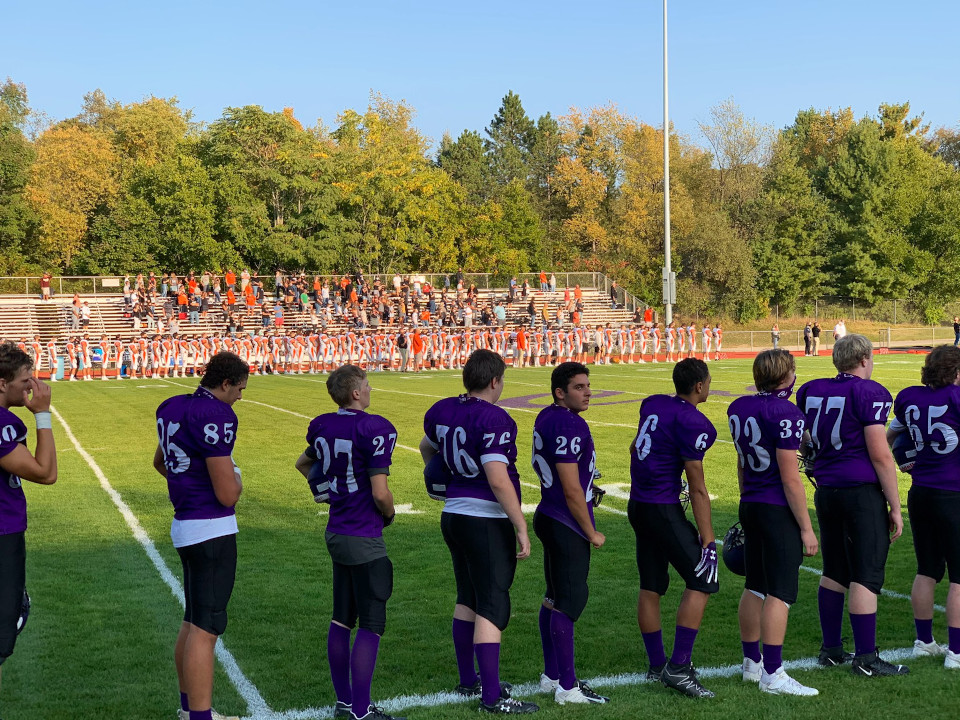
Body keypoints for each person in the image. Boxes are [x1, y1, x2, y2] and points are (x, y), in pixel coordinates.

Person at [420, 350, 539, 714]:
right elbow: (498, 478)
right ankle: (490, 697)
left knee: (467, 596)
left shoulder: (442, 409)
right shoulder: (495, 418)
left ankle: (469, 680)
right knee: (492, 601)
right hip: (485, 518)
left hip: (453, 514)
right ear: (494, 381)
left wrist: (445, 478)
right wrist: (520, 525)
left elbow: (428, 447)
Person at [796, 334, 908, 677]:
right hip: (859, 492)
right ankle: (866, 658)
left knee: (835, 570)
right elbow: (880, 454)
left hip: (826, 490)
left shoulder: (811, 389)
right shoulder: (868, 392)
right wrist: (895, 505)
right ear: (863, 360)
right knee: (866, 574)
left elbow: (805, 438)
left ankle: (831, 649)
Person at [295, 365, 402, 720]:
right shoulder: (374, 428)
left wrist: (325, 488)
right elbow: (380, 492)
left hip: (337, 531)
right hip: (363, 535)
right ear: (355, 392)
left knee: (342, 618)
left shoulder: (325, 424)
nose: (371, 390)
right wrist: (389, 514)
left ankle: (344, 702)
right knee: (371, 623)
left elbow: (303, 463)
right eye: (367, 385)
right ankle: (360, 710)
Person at [154, 352, 248, 720]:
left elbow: (161, 462)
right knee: (207, 629)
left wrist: (189, 484)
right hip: (211, 527)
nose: (241, 396)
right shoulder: (216, 414)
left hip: (186, 524)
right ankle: (200, 717)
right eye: (239, 388)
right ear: (225, 383)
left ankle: (188, 709)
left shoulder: (172, 405)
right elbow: (228, 494)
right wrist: (236, 479)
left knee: (193, 621)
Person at [728, 350, 819, 696]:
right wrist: (807, 528)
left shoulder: (738, 407)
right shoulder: (786, 412)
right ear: (786, 375)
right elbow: (790, 477)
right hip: (776, 508)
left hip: (751, 501)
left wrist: (745, 497)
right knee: (779, 591)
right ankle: (773, 673)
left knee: (755, 584)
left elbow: (741, 461)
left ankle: (751, 663)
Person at [629, 358, 718, 698]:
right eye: (708, 382)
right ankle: (678, 668)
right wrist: (708, 541)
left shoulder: (652, 403)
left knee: (651, 585)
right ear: (699, 386)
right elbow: (697, 487)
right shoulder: (696, 423)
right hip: (661, 508)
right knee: (703, 578)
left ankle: (656, 666)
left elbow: (636, 448)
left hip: (639, 504)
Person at [531, 363, 609, 705]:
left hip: (550, 513)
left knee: (554, 597)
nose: (588, 391)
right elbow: (571, 487)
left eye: (588, 385)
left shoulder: (549, 416)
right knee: (570, 600)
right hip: (566, 520)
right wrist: (591, 531)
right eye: (579, 387)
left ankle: (552, 676)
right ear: (560, 392)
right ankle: (567, 686)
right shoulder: (566, 423)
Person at [887, 345, 960, 669]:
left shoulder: (910, 397)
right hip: (953, 494)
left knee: (927, 569)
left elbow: (891, 434)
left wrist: (905, 458)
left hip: (921, 493)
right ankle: (956, 653)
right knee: (959, 576)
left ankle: (923, 642)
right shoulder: (956, 398)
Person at [0, 343, 57, 703]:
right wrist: (43, 415)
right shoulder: (4, 424)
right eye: (25, 381)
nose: (32, 387)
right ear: (2, 384)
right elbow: (45, 472)